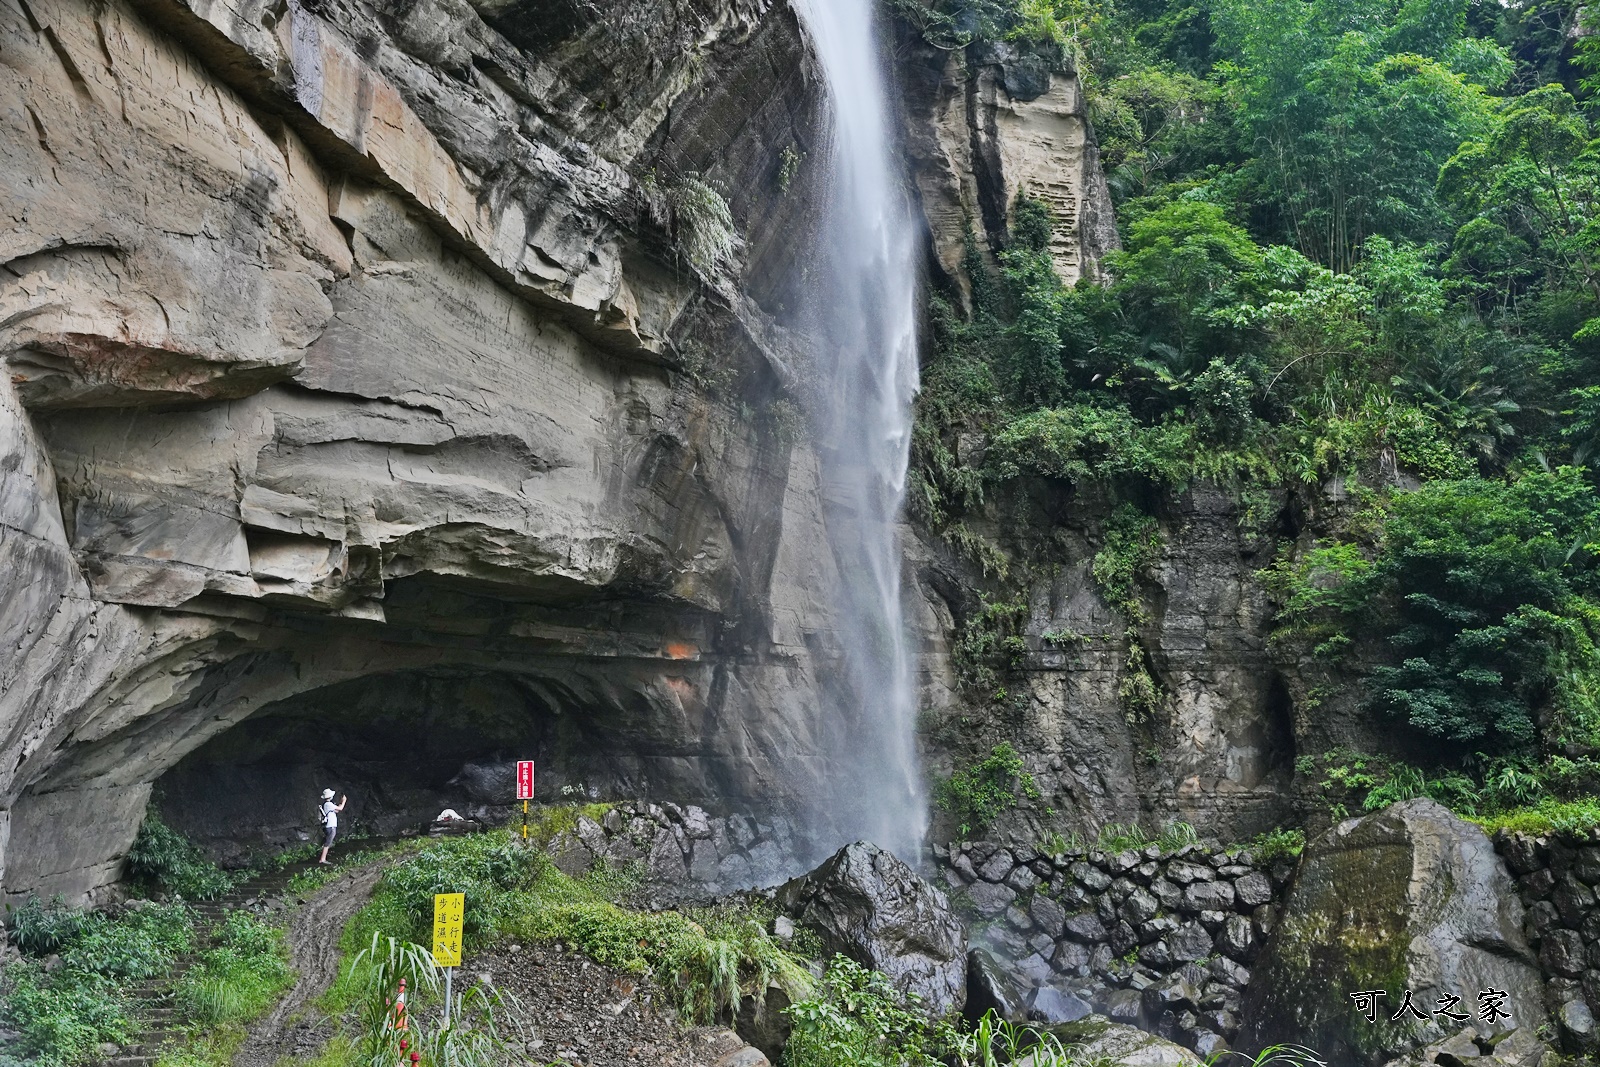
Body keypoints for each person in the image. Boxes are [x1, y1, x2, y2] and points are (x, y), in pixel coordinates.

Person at [318, 788, 347, 864]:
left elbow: (337, 810)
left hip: (330, 825)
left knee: (328, 841)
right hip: (330, 826)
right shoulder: (328, 804)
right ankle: (322, 859)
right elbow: (340, 808)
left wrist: (341, 802)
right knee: (328, 842)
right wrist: (344, 801)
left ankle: (323, 857)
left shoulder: (328, 804)